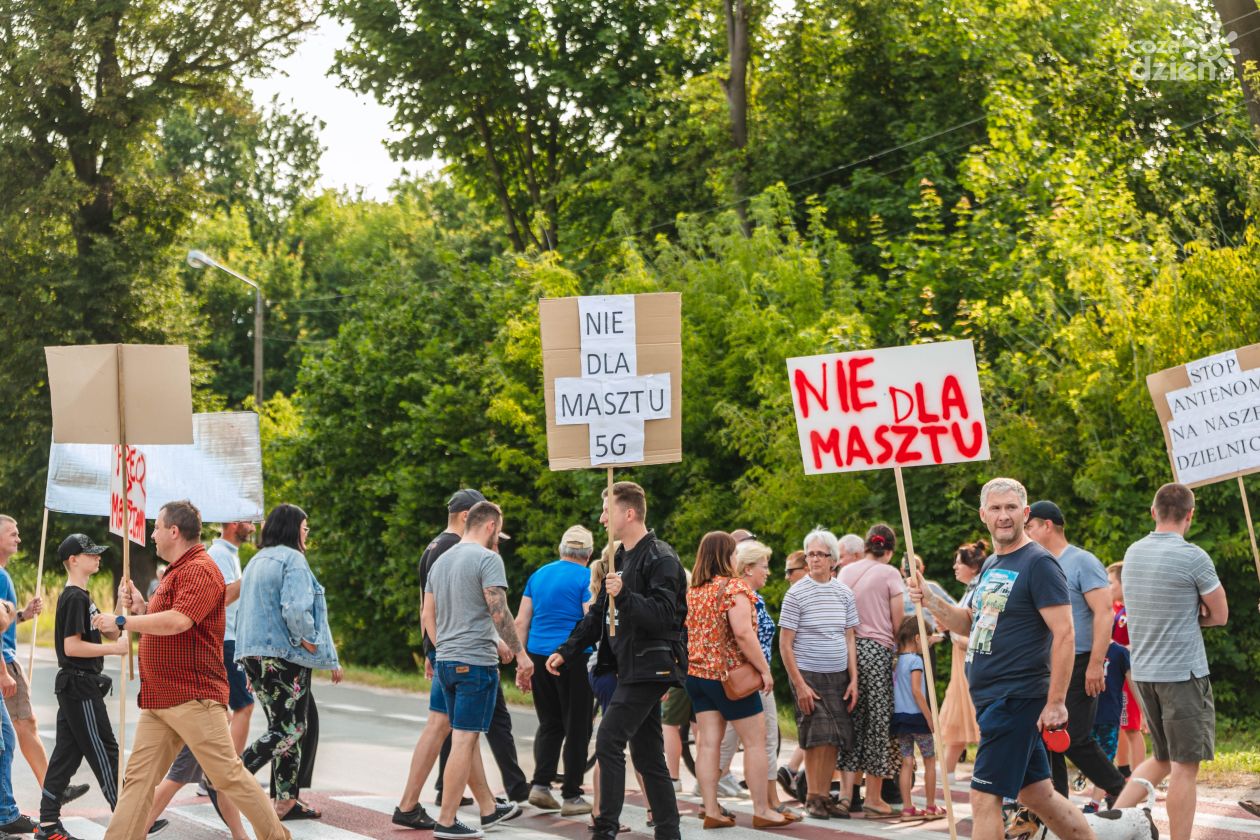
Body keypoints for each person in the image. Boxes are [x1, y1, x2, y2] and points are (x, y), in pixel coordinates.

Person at [95, 499, 291, 840]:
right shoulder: (177, 571)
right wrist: (141, 606)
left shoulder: (199, 569)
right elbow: (164, 618)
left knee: (228, 775)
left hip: (192, 697)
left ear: (174, 531)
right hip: (160, 699)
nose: (152, 535)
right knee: (138, 782)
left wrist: (126, 619)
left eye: (156, 528)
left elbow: (179, 622)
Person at [909, 477, 1091, 840]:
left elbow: (1066, 632)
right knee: (1036, 793)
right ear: (983, 515)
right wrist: (929, 599)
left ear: (1025, 513)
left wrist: (1056, 702)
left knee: (983, 795)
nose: (1003, 516)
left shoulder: (1039, 564)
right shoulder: (992, 563)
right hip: (991, 698)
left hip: (1016, 697)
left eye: (1011, 508)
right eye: (996, 508)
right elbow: (971, 622)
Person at [549, 481, 687, 840]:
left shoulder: (661, 557)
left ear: (629, 513)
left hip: (651, 666)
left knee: (609, 739)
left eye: (607, 510)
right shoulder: (620, 558)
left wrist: (624, 594)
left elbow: (662, 615)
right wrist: (567, 649)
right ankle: (669, 833)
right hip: (627, 665)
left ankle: (604, 829)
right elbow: (597, 614)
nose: (601, 518)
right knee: (648, 756)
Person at [1112, 483, 1228, 840]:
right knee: (1184, 767)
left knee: (1161, 759)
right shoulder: (1193, 557)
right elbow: (1220, 614)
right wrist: (1197, 614)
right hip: (1182, 673)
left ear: (1153, 512)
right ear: (1189, 515)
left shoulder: (1132, 553)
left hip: (1144, 672)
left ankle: (1109, 825)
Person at [415, 489, 529, 808]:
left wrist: (436, 650)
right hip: (471, 657)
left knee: (461, 733)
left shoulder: (435, 552)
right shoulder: (477, 555)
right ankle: (446, 815)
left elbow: (427, 612)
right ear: (483, 522)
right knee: (462, 736)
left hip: (448, 656)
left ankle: (487, 806)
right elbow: (493, 608)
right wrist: (516, 651)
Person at [234, 504, 343, 820]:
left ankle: (285, 801)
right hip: (283, 657)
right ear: (292, 528)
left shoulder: (256, 561)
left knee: (283, 727)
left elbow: (245, 613)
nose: (307, 532)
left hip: (255, 655)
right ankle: (229, 776)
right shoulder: (293, 560)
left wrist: (246, 662)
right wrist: (309, 640)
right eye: (305, 527)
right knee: (291, 729)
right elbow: (296, 610)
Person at [684, 532, 791, 830]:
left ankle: (711, 810)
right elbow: (743, 633)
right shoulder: (734, 588)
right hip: (730, 676)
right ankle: (762, 810)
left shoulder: (694, 590)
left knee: (708, 745)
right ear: (725, 556)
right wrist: (764, 670)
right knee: (755, 741)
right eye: (733, 553)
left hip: (698, 676)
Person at [1025, 500, 1128, 805]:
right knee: (1048, 736)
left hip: (1082, 660)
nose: (1026, 532)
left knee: (1075, 738)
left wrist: (1097, 663)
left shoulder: (1082, 561)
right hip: (1048, 662)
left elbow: (1104, 612)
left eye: (1029, 526)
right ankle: (1058, 806)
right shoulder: (1037, 563)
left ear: (1047, 525)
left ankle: (1123, 792)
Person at [36, 535, 130, 840]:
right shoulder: (74, 597)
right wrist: (114, 651)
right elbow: (72, 647)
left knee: (67, 754)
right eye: (90, 554)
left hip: (76, 685)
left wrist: (120, 602)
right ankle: (131, 817)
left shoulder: (83, 596)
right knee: (105, 748)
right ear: (73, 560)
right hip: (79, 684)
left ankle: (48, 826)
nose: (97, 557)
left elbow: (110, 628)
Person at [778, 528, 858, 821]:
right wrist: (799, 685)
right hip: (807, 673)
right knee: (814, 736)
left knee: (834, 737)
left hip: (837, 673)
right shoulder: (796, 593)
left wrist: (854, 680)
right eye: (810, 554)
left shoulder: (844, 593)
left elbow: (849, 638)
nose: (813, 559)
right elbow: (785, 644)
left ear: (833, 560)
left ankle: (824, 796)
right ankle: (812, 797)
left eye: (819, 555)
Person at [516, 525, 596, 816]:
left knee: (550, 722)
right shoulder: (588, 577)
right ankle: (572, 795)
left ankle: (540, 785)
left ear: (562, 549)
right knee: (578, 725)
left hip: (536, 654)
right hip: (573, 657)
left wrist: (521, 662)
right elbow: (590, 619)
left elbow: (521, 622)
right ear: (588, 553)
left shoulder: (538, 575)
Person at [717, 539, 795, 818]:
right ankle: (767, 803)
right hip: (752, 677)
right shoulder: (746, 596)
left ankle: (711, 799)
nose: (768, 572)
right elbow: (743, 636)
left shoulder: (732, 593)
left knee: (724, 740)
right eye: (764, 566)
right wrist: (764, 671)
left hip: (740, 677)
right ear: (748, 569)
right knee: (763, 740)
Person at [0, 516, 70, 807]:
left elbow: (3, 620)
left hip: (7, 659)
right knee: (22, 728)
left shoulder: (3, 575)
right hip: (5, 661)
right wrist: (5, 672)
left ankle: (49, 789)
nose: (18, 539)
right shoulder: (0, 576)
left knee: (20, 729)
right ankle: (51, 791)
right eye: (12, 534)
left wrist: (24, 615)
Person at [836, 524, 905, 819]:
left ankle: (844, 796)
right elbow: (897, 621)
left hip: (845, 652)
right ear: (889, 550)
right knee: (877, 724)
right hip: (877, 653)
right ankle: (874, 798)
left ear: (865, 547)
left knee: (851, 723)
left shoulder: (846, 571)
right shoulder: (891, 573)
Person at [208, 522, 257, 757]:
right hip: (224, 639)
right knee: (244, 706)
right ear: (234, 523)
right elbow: (224, 596)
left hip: (231, 639)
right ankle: (230, 773)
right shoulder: (218, 554)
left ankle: (216, 774)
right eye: (249, 523)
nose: (254, 529)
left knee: (220, 710)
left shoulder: (229, 554)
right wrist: (254, 571)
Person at [938, 541, 985, 781]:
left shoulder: (979, 590)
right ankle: (947, 768)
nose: (955, 567)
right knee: (957, 710)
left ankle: (950, 769)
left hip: (970, 656)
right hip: (961, 658)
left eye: (959, 562)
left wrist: (957, 638)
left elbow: (977, 630)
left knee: (965, 709)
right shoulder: (969, 590)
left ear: (973, 566)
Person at [891, 616, 941, 819]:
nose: (928, 644)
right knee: (930, 760)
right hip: (918, 718)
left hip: (900, 719)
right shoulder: (916, 661)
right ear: (918, 638)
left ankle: (908, 807)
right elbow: (917, 691)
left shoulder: (897, 661)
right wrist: (930, 717)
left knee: (907, 762)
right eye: (927, 640)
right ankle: (930, 806)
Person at [775, 551, 808, 802]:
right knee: (813, 725)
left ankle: (792, 768)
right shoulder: (794, 596)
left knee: (811, 724)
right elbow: (785, 643)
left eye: (791, 571)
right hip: (802, 667)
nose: (786, 577)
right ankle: (793, 770)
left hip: (810, 665)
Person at [1107, 563, 1145, 777]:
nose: (1107, 587)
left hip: (1130, 675)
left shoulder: (1134, 611)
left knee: (1131, 727)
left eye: (1111, 583)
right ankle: (1123, 772)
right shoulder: (1119, 610)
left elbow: (1141, 643)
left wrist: (1118, 648)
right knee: (1121, 724)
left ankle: (1139, 778)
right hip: (1117, 675)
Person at [1084, 638, 1131, 813]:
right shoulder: (1083, 649)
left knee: (1105, 758)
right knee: (1091, 759)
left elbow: (1133, 683)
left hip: (1108, 715)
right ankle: (1113, 792)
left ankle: (1094, 803)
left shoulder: (1120, 652)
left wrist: (1144, 713)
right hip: (1086, 714)